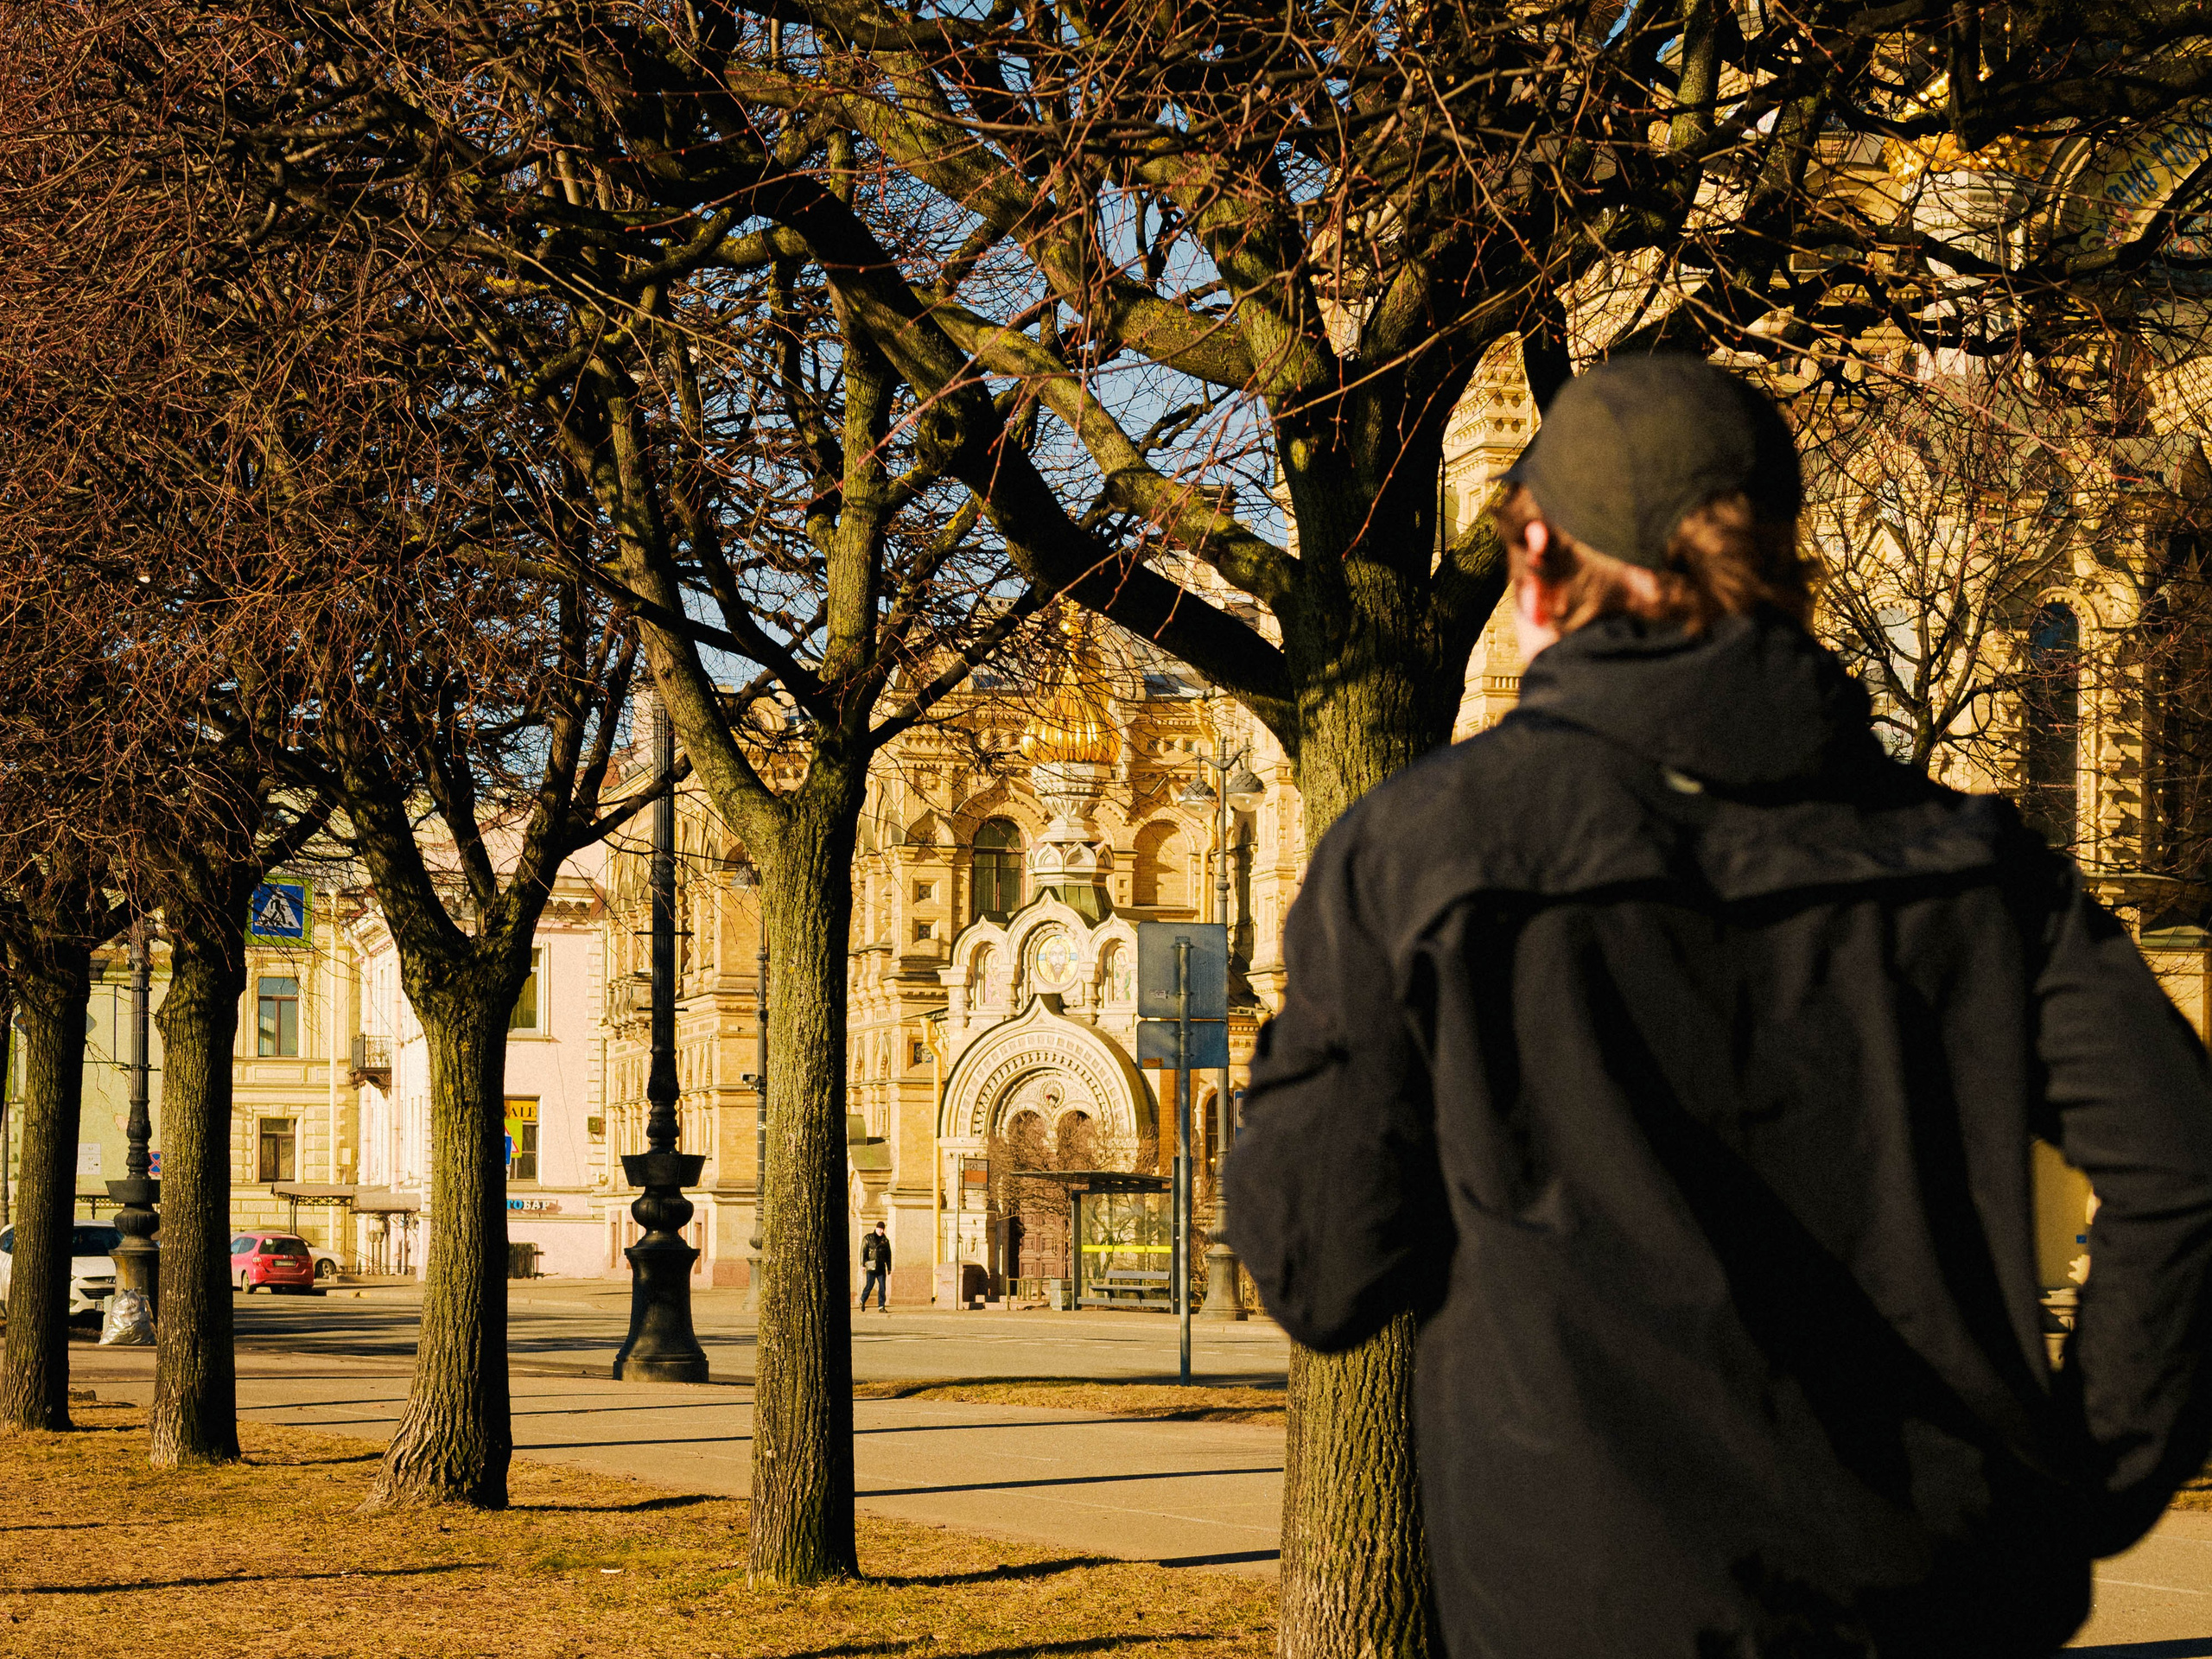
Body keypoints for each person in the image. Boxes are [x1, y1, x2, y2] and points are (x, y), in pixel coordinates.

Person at [1224, 355, 2212, 1658]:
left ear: (1534, 563)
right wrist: (2082, 1480)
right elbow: (2184, 1170)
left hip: (1573, 1602)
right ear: (1792, 563)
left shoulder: (1416, 857)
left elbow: (1320, 1269)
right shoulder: (1975, 865)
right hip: (1942, 1598)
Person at [859, 1221, 892, 1313]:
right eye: (880, 1229)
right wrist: (862, 1264)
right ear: (876, 1228)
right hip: (871, 1266)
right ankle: (862, 1300)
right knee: (870, 1285)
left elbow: (888, 1255)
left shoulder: (885, 1241)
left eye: (882, 1229)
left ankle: (881, 1306)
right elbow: (863, 1252)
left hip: (881, 1267)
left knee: (882, 1286)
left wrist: (889, 1267)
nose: (881, 1231)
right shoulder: (868, 1238)